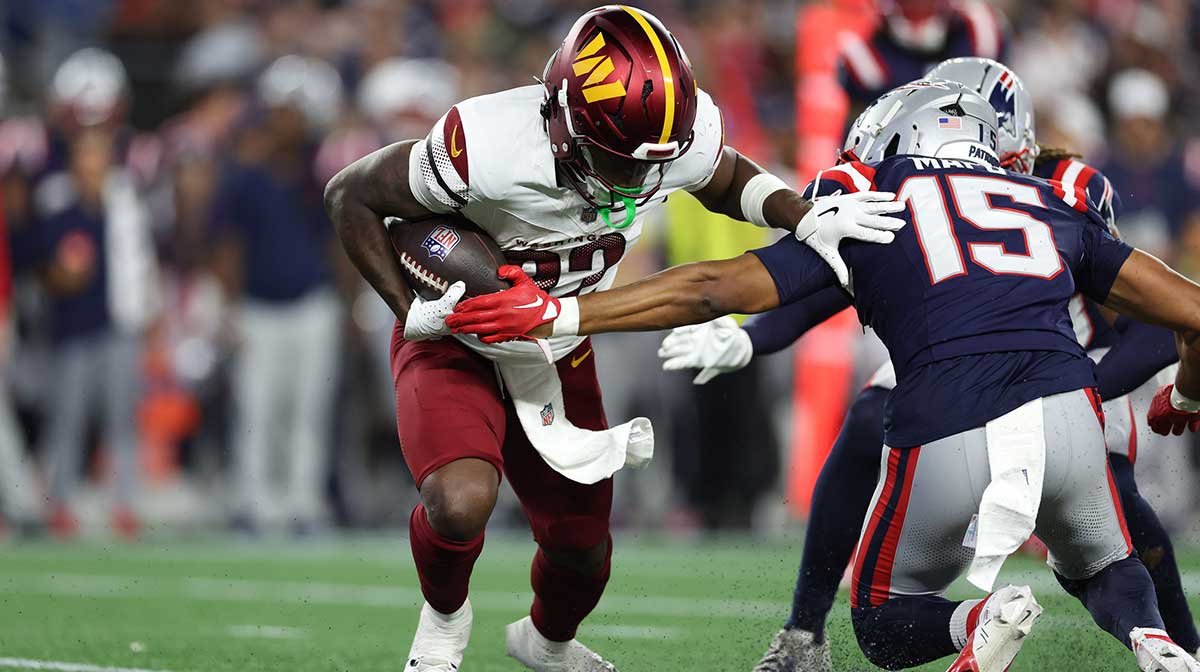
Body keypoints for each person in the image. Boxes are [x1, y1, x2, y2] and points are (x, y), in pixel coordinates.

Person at [447, 80, 1200, 672]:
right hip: (1071, 412)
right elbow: (1190, 312)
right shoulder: (1047, 200)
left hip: (949, 419)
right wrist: (1187, 393)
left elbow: (715, 284)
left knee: (879, 617)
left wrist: (564, 313)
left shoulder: (875, 203)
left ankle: (976, 619)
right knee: (1110, 559)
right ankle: (1154, 642)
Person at [324, 7, 904, 671]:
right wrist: (408, 309)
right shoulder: (482, 143)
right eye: (614, 159)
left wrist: (802, 214)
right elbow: (351, 195)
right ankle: (443, 624)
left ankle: (543, 643)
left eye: (647, 165)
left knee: (584, 548)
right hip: (457, 332)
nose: (632, 182)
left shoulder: (670, 139)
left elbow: (722, 177)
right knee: (461, 501)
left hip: (557, 339)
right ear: (564, 117)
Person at [662, 57, 1200, 670]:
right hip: (969, 344)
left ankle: (1181, 641)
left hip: (1063, 351)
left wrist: (1087, 386)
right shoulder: (983, 189)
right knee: (867, 420)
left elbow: (1149, 319)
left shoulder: (1062, 186)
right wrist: (755, 338)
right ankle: (804, 632)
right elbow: (843, 270)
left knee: (1118, 497)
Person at [213, 55, 344, 533]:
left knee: (309, 409)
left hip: (312, 303)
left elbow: (338, 244)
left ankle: (303, 503)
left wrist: (345, 305)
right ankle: (255, 501)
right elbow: (228, 245)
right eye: (278, 111)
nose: (284, 120)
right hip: (258, 307)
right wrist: (228, 307)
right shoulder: (246, 175)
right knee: (257, 409)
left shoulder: (321, 173)